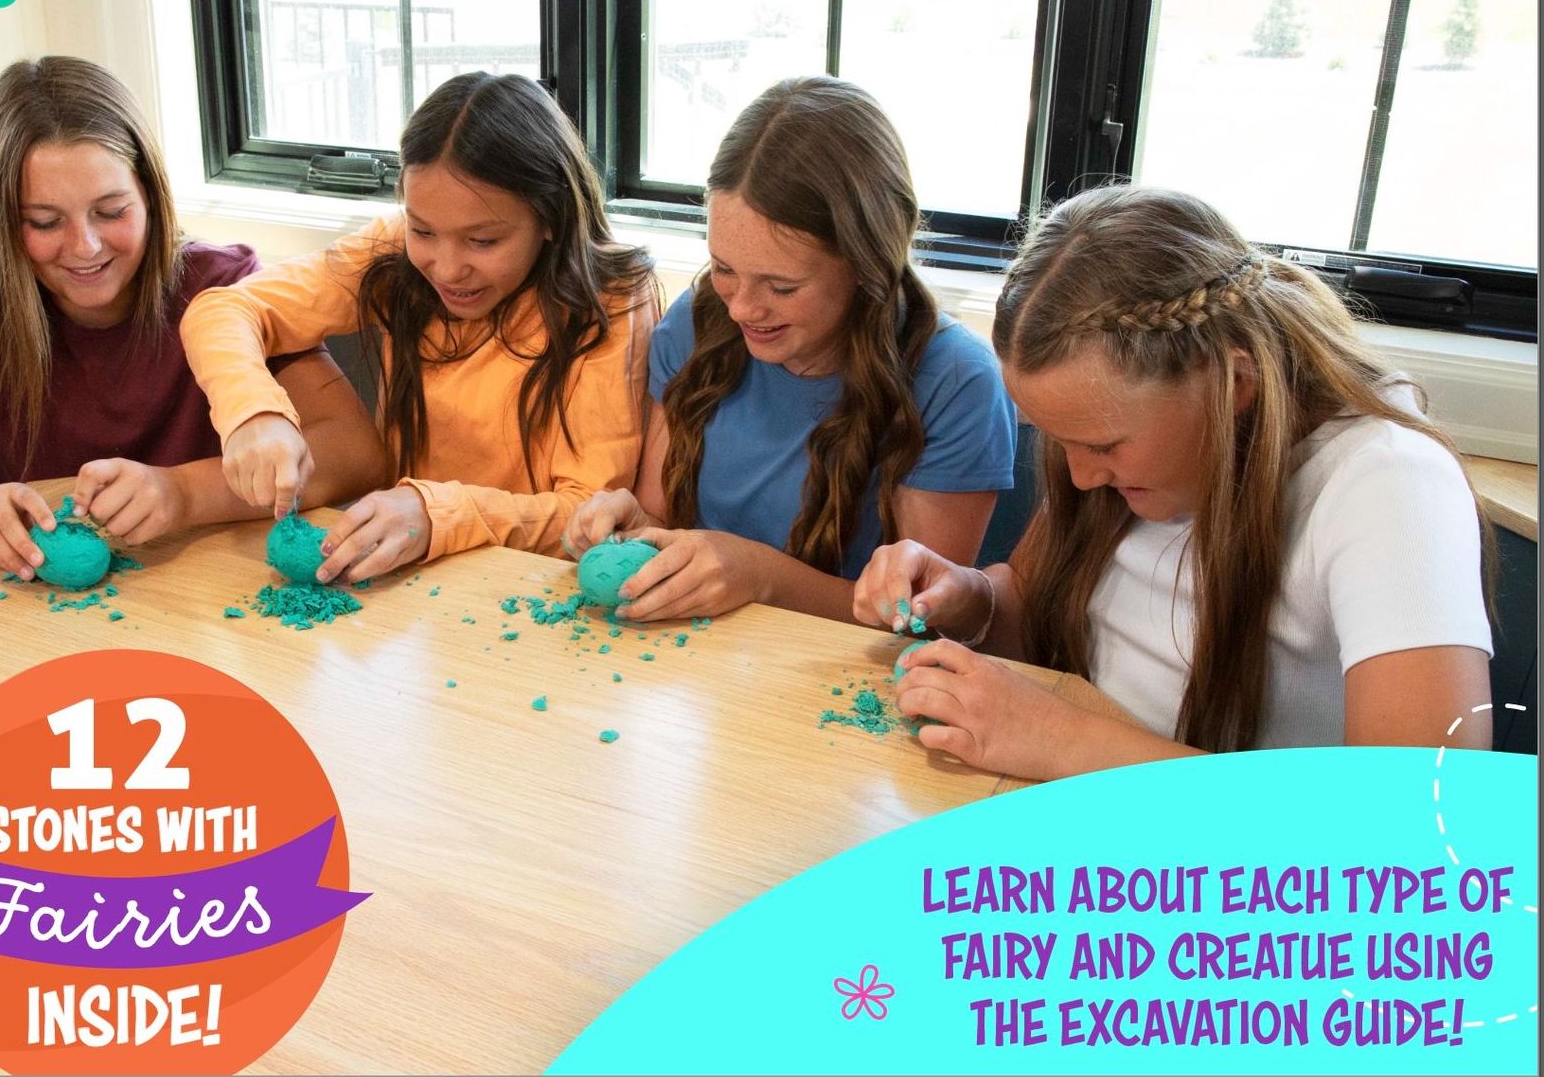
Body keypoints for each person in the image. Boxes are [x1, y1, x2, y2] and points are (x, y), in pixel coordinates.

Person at [858, 186, 1496, 777]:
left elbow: (1416, 824)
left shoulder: (1388, 483)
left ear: (1233, 385)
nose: (1079, 478)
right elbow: (1036, 602)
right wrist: (969, 598)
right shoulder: (1126, 457)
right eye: (1061, 442)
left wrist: (1062, 741)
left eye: (1103, 445)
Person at [0, 57, 386, 579]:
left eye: (111, 211)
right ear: (2, 222)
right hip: (48, 607)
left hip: (215, 590)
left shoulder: (225, 286)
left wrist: (182, 493)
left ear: (150, 196)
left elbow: (355, 452)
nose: (84, 247)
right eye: (44, 221)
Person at [180, 70, 660, 582]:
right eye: (423, 230)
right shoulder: (390, 253)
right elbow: (224, 310)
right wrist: (253, 412)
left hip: (533, 586)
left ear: (551, 218)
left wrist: (436, 514)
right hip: (405, 582)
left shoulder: (608, 300)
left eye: (483, 241)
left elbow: (586, 514)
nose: (448, 269)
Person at [565, 77, 1013, 622]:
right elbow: (660, 514)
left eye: (781, 287)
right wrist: (633, 527)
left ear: (867, 265)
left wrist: (760, 576)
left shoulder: (955, 381)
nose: (741, 310)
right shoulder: (695, 324)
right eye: (724, 269)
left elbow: (918, 618)